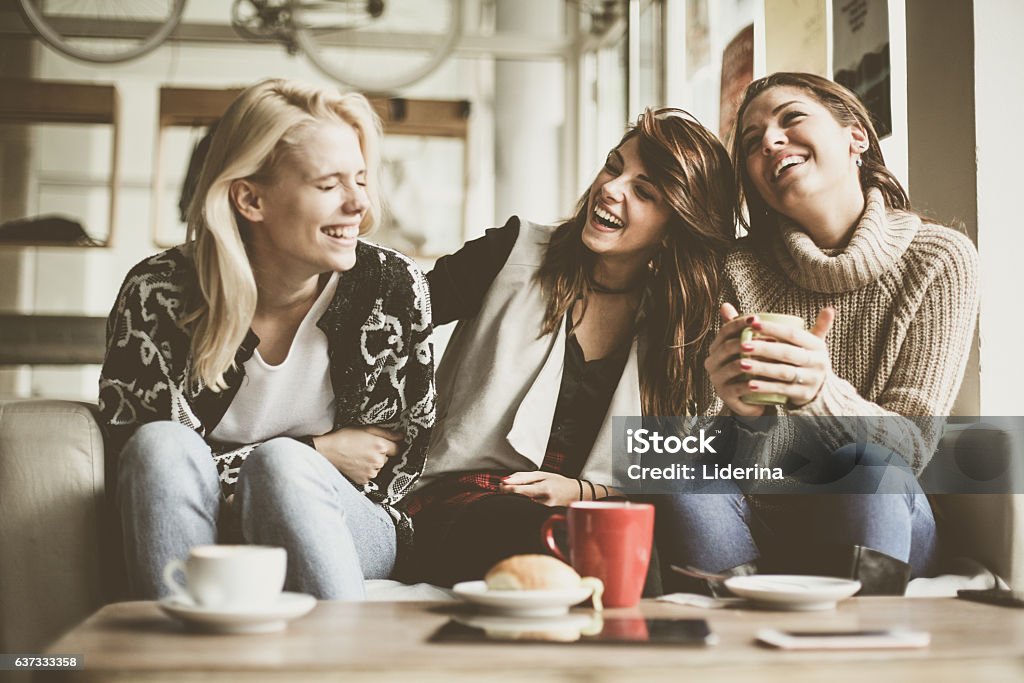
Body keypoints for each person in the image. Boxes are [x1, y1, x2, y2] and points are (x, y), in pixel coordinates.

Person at [99, 79, 435, 600]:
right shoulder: (158, 292)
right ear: (251, 199)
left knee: (284, 470)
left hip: (346, 523)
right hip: (198, 525)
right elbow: (139, 468)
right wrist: (315, 449)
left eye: (361, 181)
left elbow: (394, 465)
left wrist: (287, 465)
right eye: (329, 186)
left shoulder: (390, 286)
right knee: (163, 446)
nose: (359, 207)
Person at [658, 72, 979, 591]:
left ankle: (853, 661)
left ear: (856, 136)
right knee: (678, 475)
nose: (769, 140)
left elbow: (913, 448)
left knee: (865, 468)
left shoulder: (939, 260)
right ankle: (726, 655)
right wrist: (744, 417)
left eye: (791, 118)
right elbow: (702, 451)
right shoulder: (733, 271)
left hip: (882, 522)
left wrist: (819, 393)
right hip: (758, 526)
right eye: (751, 140)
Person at [403, 108, 737, 586]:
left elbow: (675, 463)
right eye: (614, 166)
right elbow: (388, 321)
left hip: (596, 511)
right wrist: (384, 428)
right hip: (467, 501)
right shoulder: (510, 252)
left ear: (673, 229)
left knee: (642, 561)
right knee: (563, 545)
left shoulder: (678, 324)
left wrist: (583, 491)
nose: (611, 188)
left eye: (644, 192)